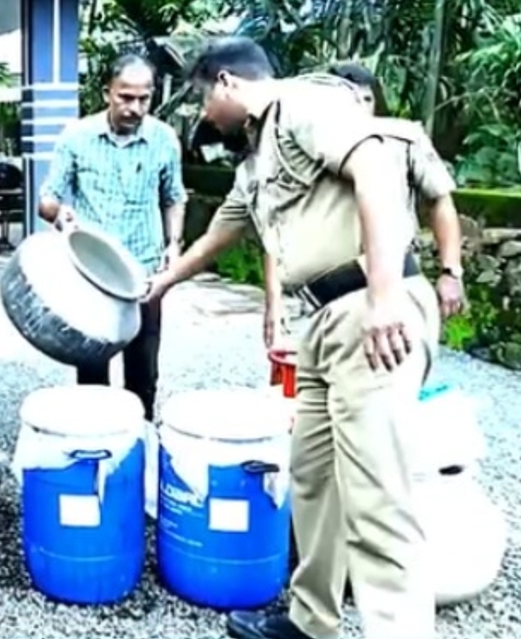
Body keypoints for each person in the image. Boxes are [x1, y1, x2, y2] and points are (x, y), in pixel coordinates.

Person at [147, 37, 438, 639]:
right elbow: (220, 234)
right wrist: (157, 285)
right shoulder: (255, 155)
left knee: (378, 503)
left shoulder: (306, 102)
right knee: (313, 482)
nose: (203, 116)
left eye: (203, 101)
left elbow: (377, 170)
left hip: (369, 310)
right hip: (324, 321)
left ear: (227, 83)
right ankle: (311, 622)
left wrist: (385, 297)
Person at [261, 62, 465, 348]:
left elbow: (440, 200)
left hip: (390, 280)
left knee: (388, 370)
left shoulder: (403, 138)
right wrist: (274, 301)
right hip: (318, 293)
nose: (357, 106)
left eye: (366, 98)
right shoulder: (299, 146)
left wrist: (451, 272)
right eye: (347, 99)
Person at [37, 54, 186, 420]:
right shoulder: (76, 137)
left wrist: (174, 244)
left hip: (146, 274)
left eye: (143, 99)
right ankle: (96, 444)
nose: (134, 108)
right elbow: (48, 200)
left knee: (143, 372)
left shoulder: (164, 139)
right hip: (93, 276)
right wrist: (60, 214)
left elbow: (175, 197)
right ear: (108, 93)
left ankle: (141, 443)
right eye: (126, 97)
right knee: (91, 373)